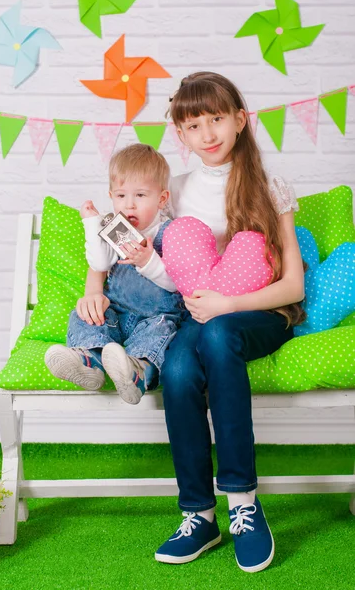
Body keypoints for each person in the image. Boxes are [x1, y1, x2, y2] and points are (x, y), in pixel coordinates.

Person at [153, 72, 305, 572]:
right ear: (180, 134)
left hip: (261, 313)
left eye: (217, 119)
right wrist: (94, 287)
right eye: (194, 125)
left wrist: (226, 305)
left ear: (241, 120)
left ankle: (242, 502)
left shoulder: (269, 187)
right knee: (176, 369)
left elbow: (293, 288)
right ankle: (199, 514)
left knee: (217, 333)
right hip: (201, 314)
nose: (208, 134)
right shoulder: (172, 192)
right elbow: (140, 251)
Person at [44, 143, 185, 405]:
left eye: (141, 195)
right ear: (111, 195)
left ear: (162, 198)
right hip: (117, 314)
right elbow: (99, 262)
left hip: (154, 317)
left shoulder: (171, 231)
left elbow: (177, 283)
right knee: (86, 313)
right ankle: (89, 361)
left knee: (161, 331)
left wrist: (149, 261)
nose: (129, 205)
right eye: (121, 196)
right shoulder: (115, 229)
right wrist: (91, 224)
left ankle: (137, 371)